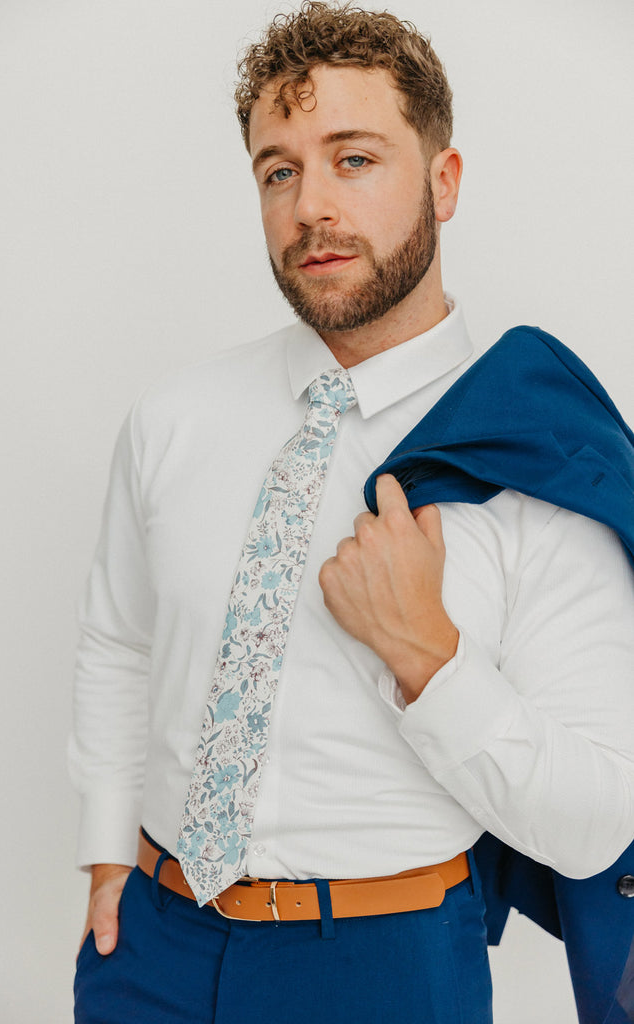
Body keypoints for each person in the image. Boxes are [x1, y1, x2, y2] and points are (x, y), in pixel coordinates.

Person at [70, 3, 634, 1022]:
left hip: (385, 965)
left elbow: (595, 824)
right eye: (278, 171)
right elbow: (120, 639)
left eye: (355, 160)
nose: (310, 207)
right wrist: (108, 849)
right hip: (150, 948)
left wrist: (427, 655)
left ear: (442, 182)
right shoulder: (174, 417)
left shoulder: (537, 453)